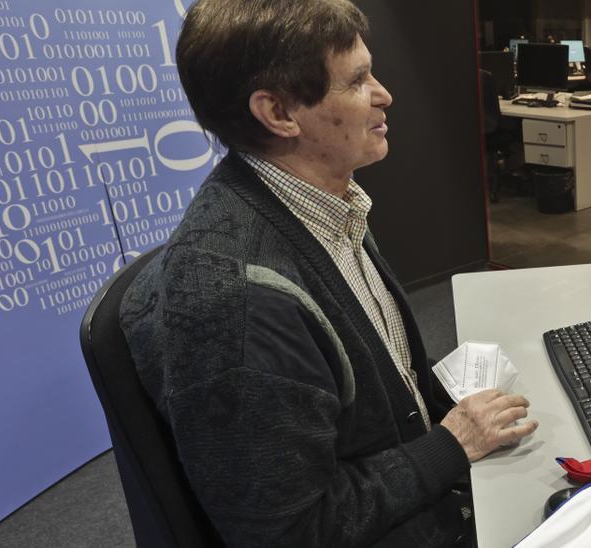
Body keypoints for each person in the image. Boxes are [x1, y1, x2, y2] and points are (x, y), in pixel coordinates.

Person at [119, 0, 536, 545]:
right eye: (359, 79)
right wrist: (451, 445)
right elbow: (292, 531)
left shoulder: (326, 205)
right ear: (279, 113)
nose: (384, 94)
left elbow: (385, 374)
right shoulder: (238, 302)